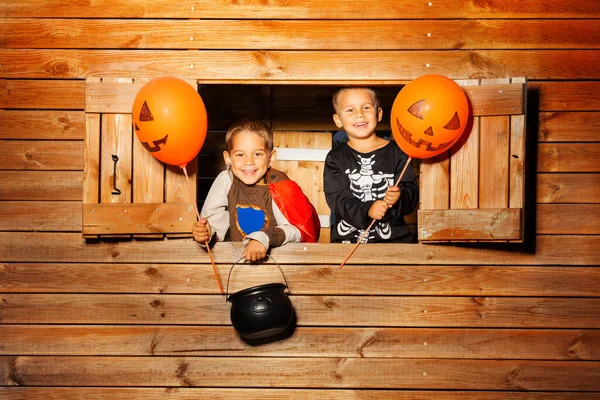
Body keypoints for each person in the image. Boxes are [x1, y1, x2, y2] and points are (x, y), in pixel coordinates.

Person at [192, 119, 320, 261]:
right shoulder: (226, 180)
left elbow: (297, 231)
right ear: (228, 158)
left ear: (271, 158)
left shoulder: (282, 186)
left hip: (279, 265)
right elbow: (213, 222)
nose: (248, 162)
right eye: (240, 155)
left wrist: (263, 238)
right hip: (236, 265)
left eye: (257, 154)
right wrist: (206, 233)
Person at [324, 87, 419, 243]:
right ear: (338, 120)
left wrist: (400, 197)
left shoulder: (398, 152)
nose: (359, 114)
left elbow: (411, 194)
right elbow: (338, 200)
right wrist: (367, 209)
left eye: (366, 107)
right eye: (350, 110)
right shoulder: (335, 158)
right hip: (348, 244)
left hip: (395, 242)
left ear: (379, 114)